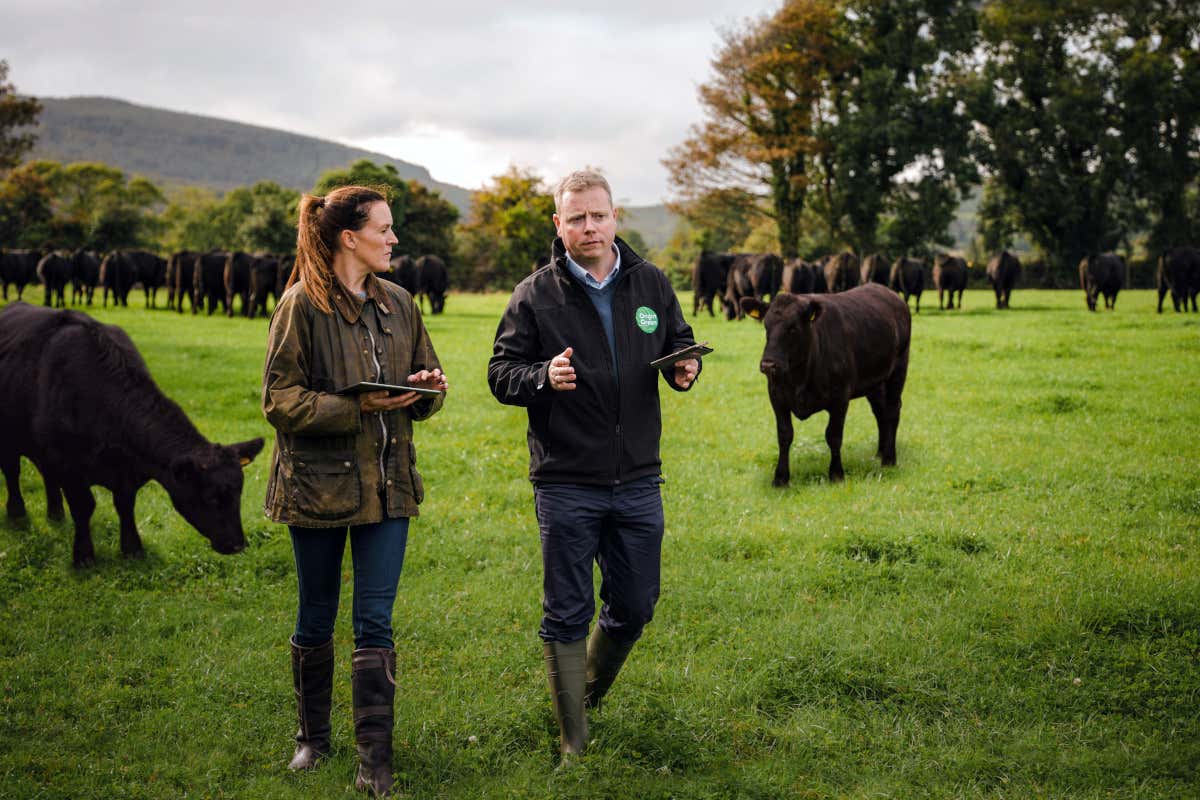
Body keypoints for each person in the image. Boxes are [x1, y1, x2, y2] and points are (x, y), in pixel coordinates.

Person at [487, 169, 701, 765]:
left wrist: (685, 370)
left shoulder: (651, 284)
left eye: (598, 215)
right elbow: (500, 374)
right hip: (566, 479)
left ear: (616, 218)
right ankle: (572, 740)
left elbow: (677, 343)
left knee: (635, 603)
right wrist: (541, 378)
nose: (589, 227)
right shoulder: (535, 295)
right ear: (559, 225)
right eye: (576, 217)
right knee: (567, 608)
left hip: (637, 476)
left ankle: (583, 695)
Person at [261, 185, 447, 796]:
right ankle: (311, 740)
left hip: (389, 487)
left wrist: (425, 388)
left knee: (375, 620)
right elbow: (279, 400)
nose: (394, 239)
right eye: (384, 229)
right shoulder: (299, 307)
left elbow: (429, 384)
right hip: (315, 490)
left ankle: (376, 761)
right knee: (316, 615)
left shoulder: (400, 303)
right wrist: (354, 404)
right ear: (350, 237)